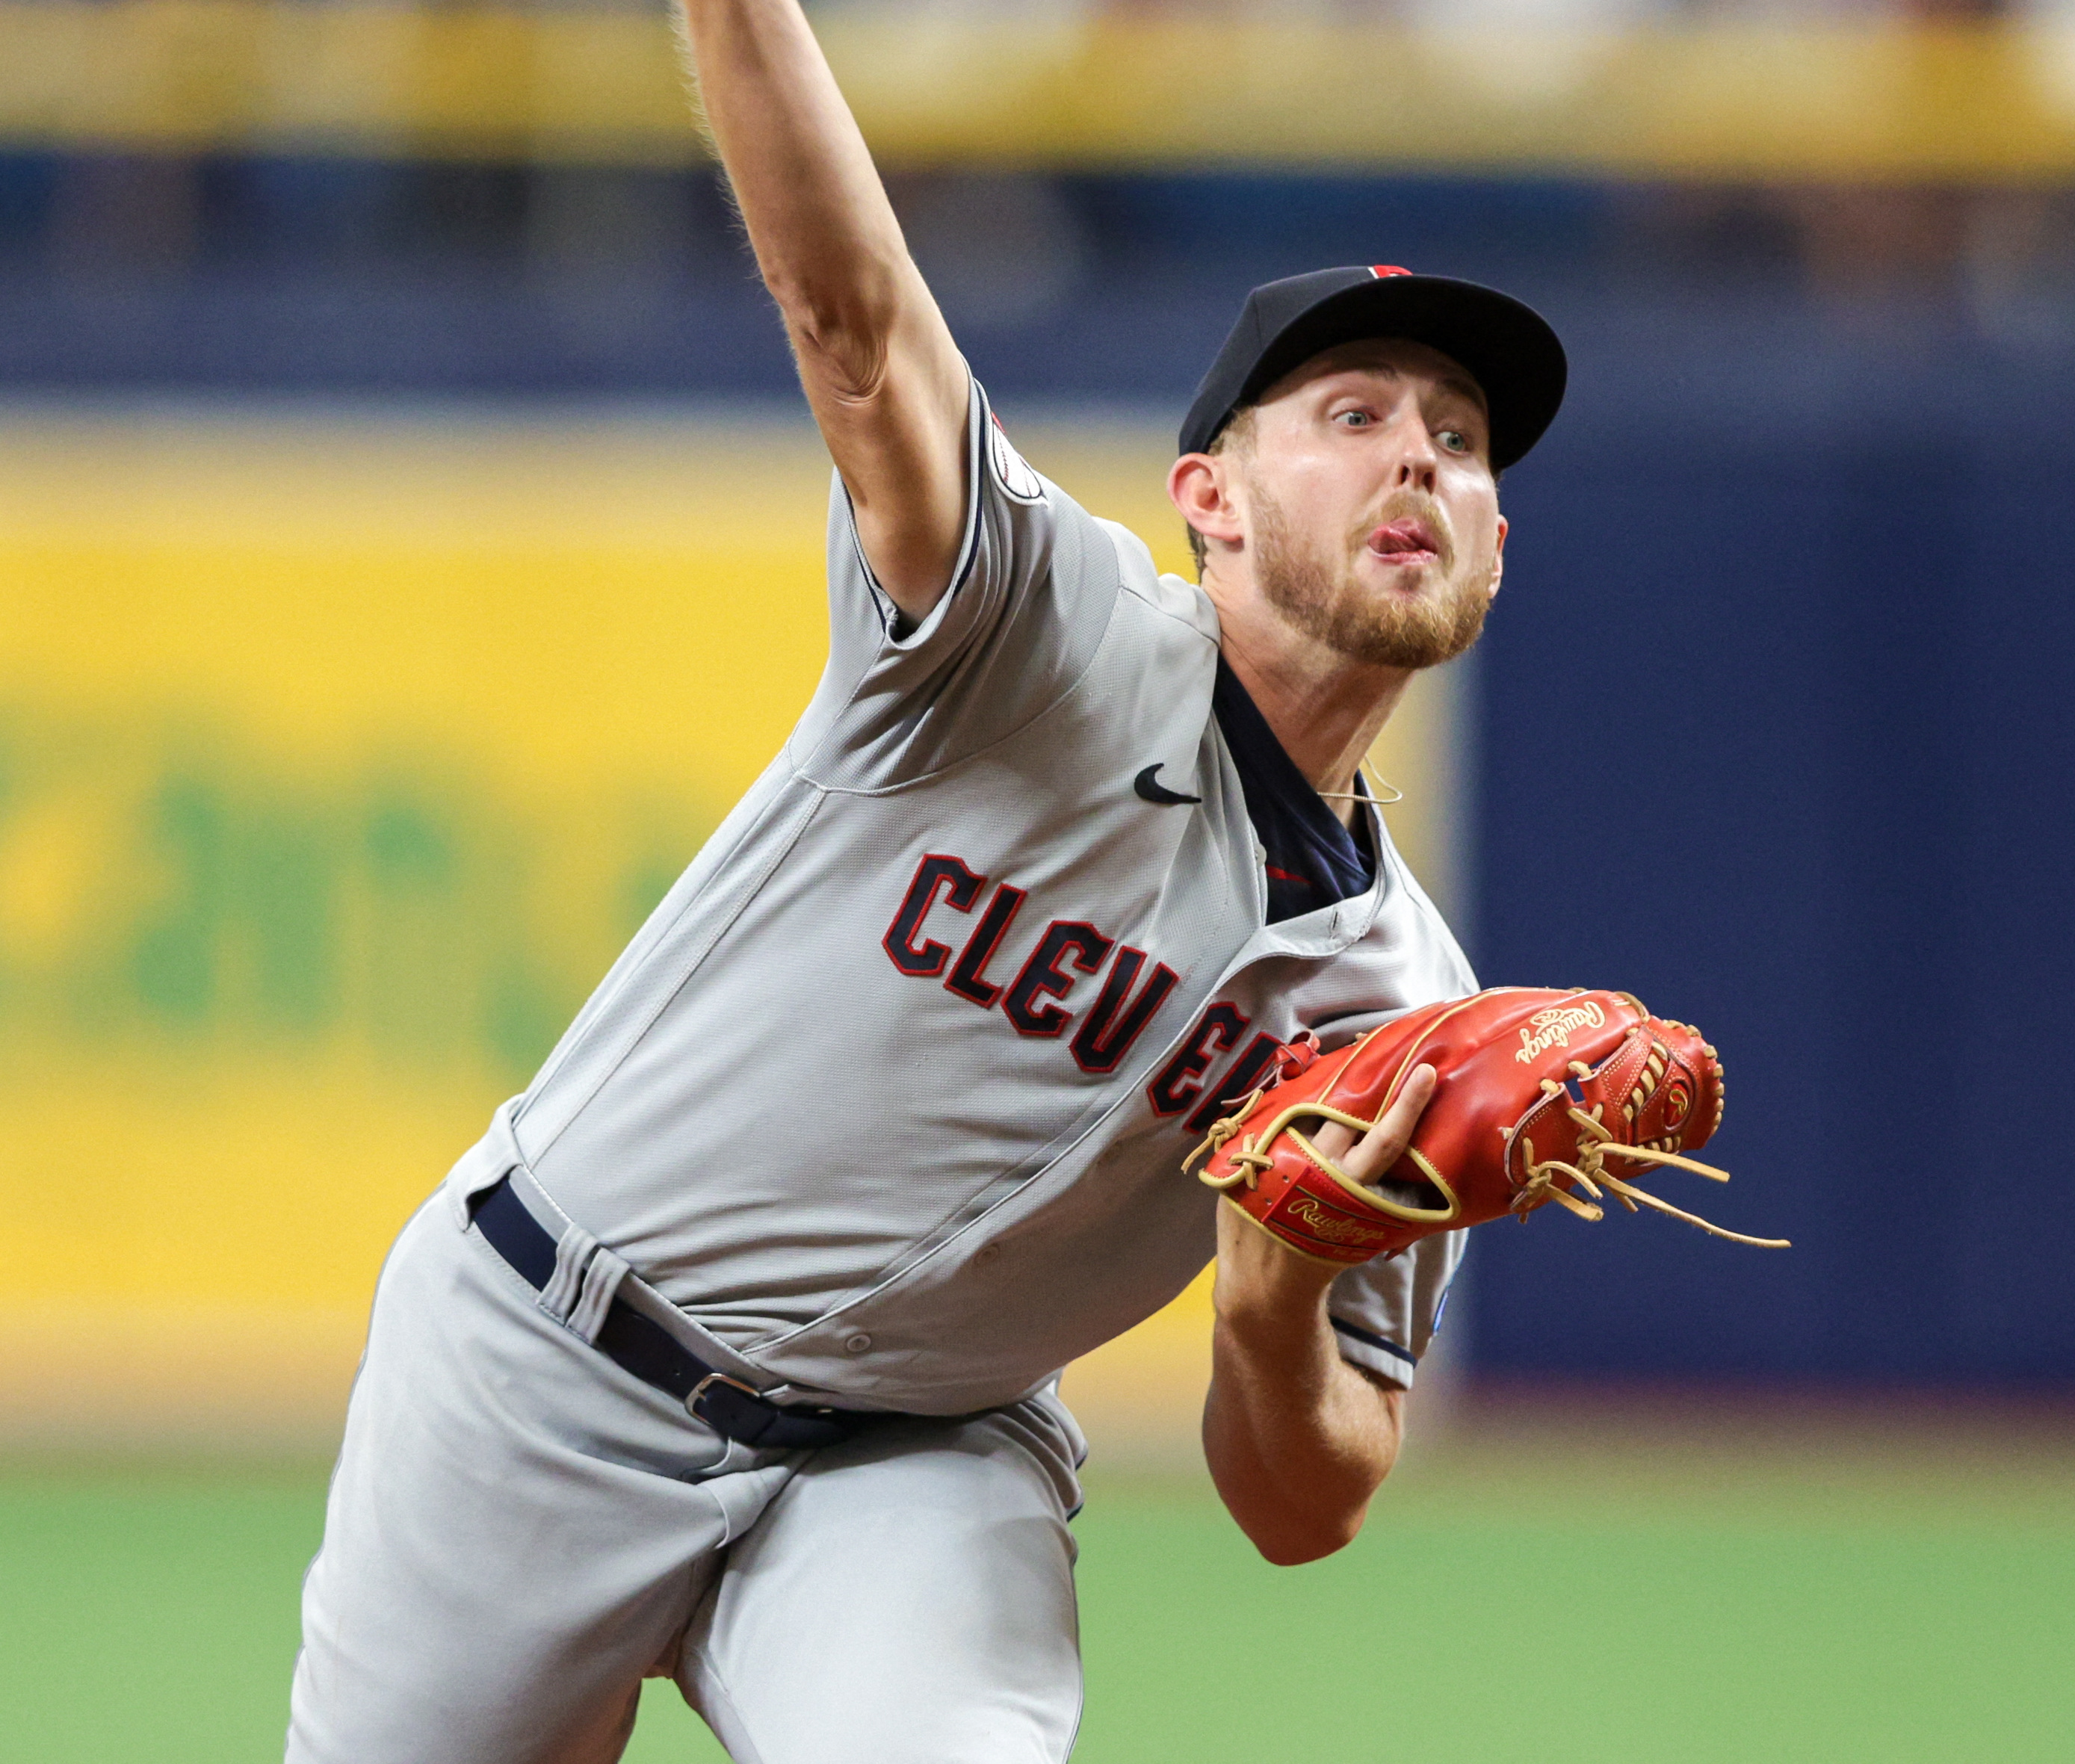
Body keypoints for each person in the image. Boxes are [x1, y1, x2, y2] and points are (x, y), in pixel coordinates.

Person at [285, 1, 1565, 1758]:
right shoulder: (1034, 631)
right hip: (550, 1353)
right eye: (1353, 412)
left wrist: (1270, 1310)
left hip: (918, 1453)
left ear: (1496, 543)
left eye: (1464, 439)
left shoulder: (1403, 1015)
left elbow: (1307, 1500)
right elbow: (855, 320)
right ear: (1212, 495)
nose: (1422, 452)